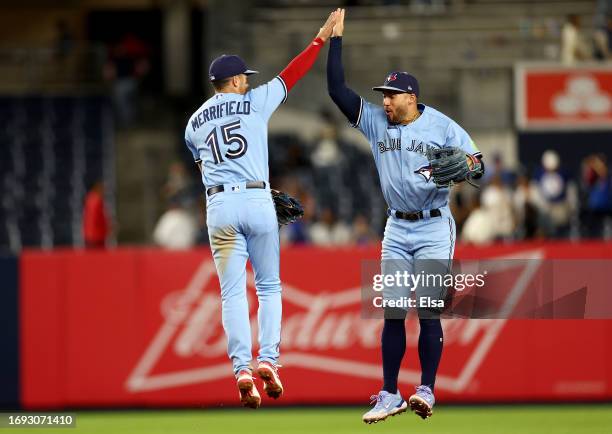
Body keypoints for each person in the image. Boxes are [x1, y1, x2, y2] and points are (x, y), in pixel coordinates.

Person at [326, 9, 483, 423]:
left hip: (433, 225)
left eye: (392, 96)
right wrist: (335, 41)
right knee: (393, 312)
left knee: (428, 309)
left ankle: (427, 389)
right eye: (383, 95)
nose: (385, 101)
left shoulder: (443, 126)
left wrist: (468, 168)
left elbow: (478, 164)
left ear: (411, 97)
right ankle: (390, 393)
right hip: (396, 227)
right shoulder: (378, 122)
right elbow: (337, 90)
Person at [184, 10, 338, 409]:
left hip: (218, 203)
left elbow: (203, 166)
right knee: (269, 287)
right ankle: (268, 359)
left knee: (232, 292)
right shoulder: (253, 102)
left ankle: (241, 370)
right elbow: (293, 73)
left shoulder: (193, 124)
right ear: (234, 81)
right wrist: (320, 39)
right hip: (257, 198)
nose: (249, 81)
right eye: (245, 77)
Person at [82, 181, 110, 249]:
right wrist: (107, 227)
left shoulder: (89, 198)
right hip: (96, 235)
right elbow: (96, 218)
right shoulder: (96, 200)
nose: (103, 190)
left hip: (90, 234)